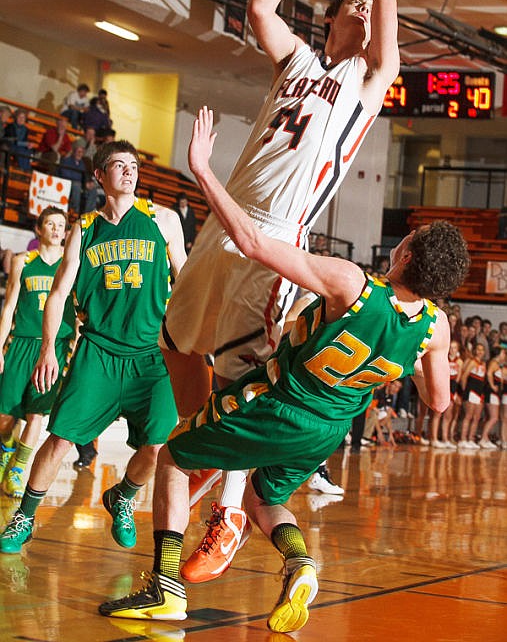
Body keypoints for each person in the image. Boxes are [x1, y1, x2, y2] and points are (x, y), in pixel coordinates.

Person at [98, 105, 469, 632]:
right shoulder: (436, 329)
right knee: (262, 498)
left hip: (280, 405)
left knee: (174, 462)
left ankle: (166, 590)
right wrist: (383, 361)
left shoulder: (352, 284)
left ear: (408, 255)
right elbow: (438, 403)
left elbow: (252, 244)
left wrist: (203, 170)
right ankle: (299, 564)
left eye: (410, 238)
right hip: (329, 432)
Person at [159, 0, 400, 571]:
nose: (363, 10)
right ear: (329, 21)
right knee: (178, 343)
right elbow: (262, 9)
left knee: (240, 372)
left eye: (367, 11)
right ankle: (199, 452)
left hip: (275, 238)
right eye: (349, 6)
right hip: (223, 220)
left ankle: (228, 514)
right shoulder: (297, 61)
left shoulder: (368, 78)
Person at [0, 139, 187, 554]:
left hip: (150, 356)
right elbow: (60, 292)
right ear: (100, 176)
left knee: (158, 445)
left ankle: (122, 496)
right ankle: (24, 517)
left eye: (134, 165)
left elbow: (187, 284)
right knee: (61, 438)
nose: (129, 171)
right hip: (98, 351)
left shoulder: (163, 219)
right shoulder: (84, 229)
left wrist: (191, 344)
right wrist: (49, 347)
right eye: (118, 165)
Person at [0, 207, 74, 497]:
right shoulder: (23, 262)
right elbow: (9, 309)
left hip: (54, 347)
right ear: (39, 229)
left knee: (36, 414)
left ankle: (17, 470)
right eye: (51, 224)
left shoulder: (72, 265)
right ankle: (6, 448)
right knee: (6, 416)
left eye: (61, 225)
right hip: (22, 343)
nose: (57, 229)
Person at [458, 343, 487, 450]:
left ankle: (471, 439)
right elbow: (464, 377)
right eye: (478, 349)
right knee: (468, 416)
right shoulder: (472, 362)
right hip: (471, 392)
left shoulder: (483, 363)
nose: (480, 352)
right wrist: (466, 390)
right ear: (475, 351)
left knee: (476, 418)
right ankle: (463, 439)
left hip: (479, 393)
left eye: (482, 350)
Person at [59, 142, 98, 214]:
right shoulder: (67, 160)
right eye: (78, 151)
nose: (80, 154)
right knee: (77, 185)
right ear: (74, 152)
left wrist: (88, 183)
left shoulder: (81, 163)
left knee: (93, 189)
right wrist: (83, 183)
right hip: (67, 183)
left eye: (82, 152)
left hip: (80, 184)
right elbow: (64, 174)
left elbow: (84, 175)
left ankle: (87, 214)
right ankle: (74, 212)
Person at [479, 346, 505, 449]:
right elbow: (489, 373)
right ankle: (483, 438)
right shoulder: (493, 363)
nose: (504, 355)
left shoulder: (498, 364)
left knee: (492, 417)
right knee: (494, 417)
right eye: (503, 353)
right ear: (498, 354)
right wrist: (493, 385)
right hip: (491, 393)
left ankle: (485, 438)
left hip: (494, 394)